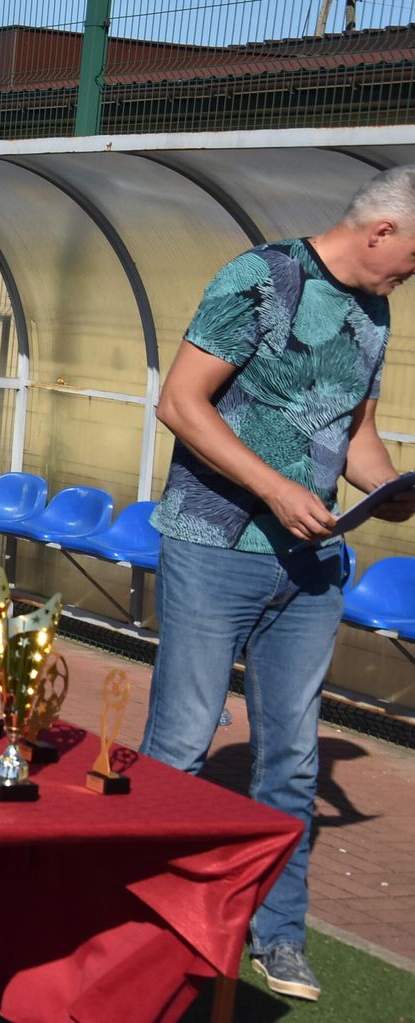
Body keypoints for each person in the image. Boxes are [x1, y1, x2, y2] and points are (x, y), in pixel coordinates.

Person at [139, 166, 415, 1003]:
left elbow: (354, 435)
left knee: (292, 760)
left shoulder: (375, 311)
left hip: (312, 566)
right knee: (180, 747)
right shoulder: (259, 277)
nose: (413, 273)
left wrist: (390, 487)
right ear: (381, 231)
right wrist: (276, 487)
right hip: (214, 548)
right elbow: (180, 403)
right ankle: (145, 918)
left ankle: (278, 934)